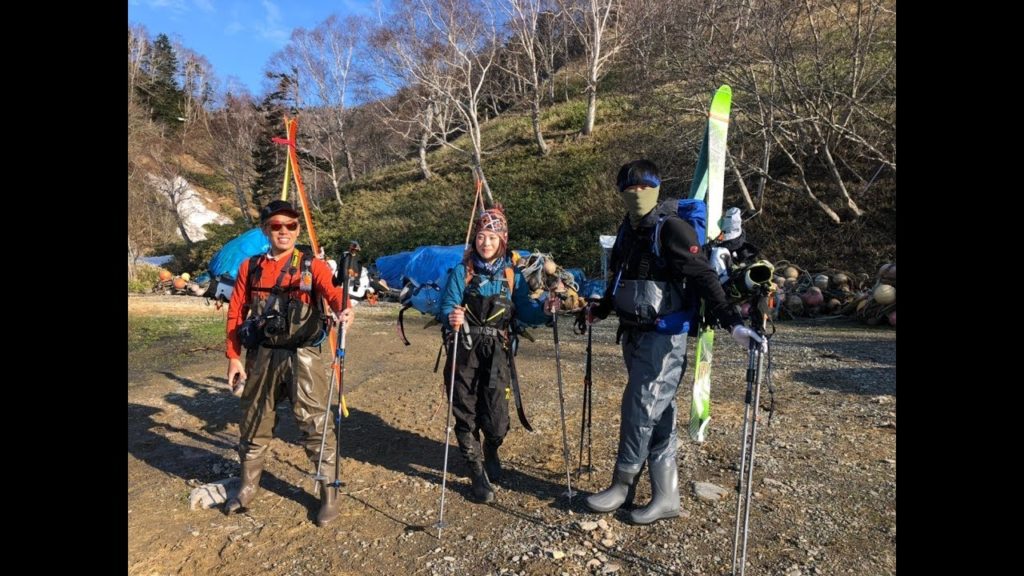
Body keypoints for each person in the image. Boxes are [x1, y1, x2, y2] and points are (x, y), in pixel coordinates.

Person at [581, 160, 765, 525]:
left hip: (665, 338)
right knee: (657, 412)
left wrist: (734, 324)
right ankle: (667, 496)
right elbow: (618, 276)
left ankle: (622, 484)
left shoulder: (673, 229)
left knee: (638, 407)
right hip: (633, 334)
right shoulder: (627, 231)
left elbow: (703, 277)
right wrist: (600, 310)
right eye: (629, 187)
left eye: (644, 186)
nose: (636, 193)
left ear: (657, 188)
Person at [224, 200, 354, 526]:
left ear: (297, 228)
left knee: (316, 425)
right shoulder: (249, 267)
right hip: (262, 355)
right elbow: (235, 313)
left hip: (304, 355)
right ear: (266, 229)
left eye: (291, 226)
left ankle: (328, 494)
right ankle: (247, 487)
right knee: (254, 423)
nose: (284, 231)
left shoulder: (312, 265)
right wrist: (233, 358)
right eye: (277, 225)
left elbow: (334, 293)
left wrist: (345, 309)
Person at [441, 205, 549, 503]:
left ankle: (492, 447)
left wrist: (549, 310)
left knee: (497, 419)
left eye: (491, 237)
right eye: (480, 236)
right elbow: (447, 303)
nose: (485, 243)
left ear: (502, 239)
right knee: (465, 412)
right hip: (463, 352)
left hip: (498, 355)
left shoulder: (511, 276)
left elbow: (527, 311)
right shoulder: (461, 272)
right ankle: (476, 472)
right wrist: (451, 315)